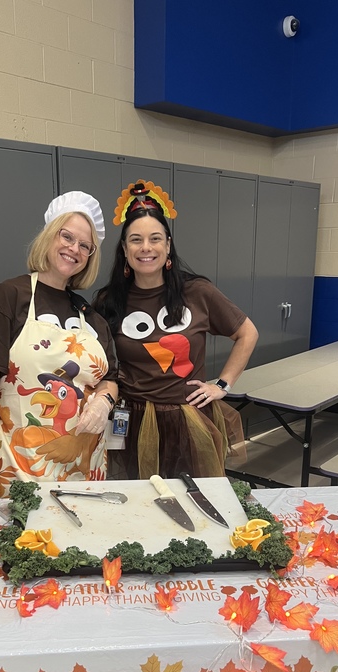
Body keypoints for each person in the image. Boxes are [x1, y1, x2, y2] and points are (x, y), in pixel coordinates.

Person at [0, 191, 119, 507]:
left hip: (85, 474)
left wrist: (104, 402)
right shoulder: (7, 298)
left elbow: (110, 378)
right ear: (49, 235)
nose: (75, 249)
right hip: (18, 470)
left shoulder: (91, 316)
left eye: (85, 245)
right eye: (67, 237)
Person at [93, 180, 258, 480]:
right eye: (136, 240)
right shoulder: (109, 301)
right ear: (124, 249)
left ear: (168, 246)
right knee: (135, 498)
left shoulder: (197, 292)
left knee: (191, 498)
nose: (146, 247)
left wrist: (222, 385)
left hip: (187, 419)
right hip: (128, 420)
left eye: (155, 239)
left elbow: (247, 333)